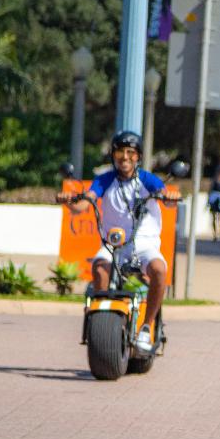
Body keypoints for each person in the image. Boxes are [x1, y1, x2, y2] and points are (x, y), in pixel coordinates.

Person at [57, 131, 173, 353]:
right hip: (115, 244)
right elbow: (85, 204)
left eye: (131, 152)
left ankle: (147, 327)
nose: (125, 157)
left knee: (158, 270)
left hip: (145, 244)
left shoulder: (147, 179)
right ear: (113, 154)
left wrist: (169, 198)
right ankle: (101, 324)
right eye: (120, 152)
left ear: (138, 156)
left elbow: (165, 198)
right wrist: (69, 202)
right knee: (99, 269)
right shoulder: (105, 179)